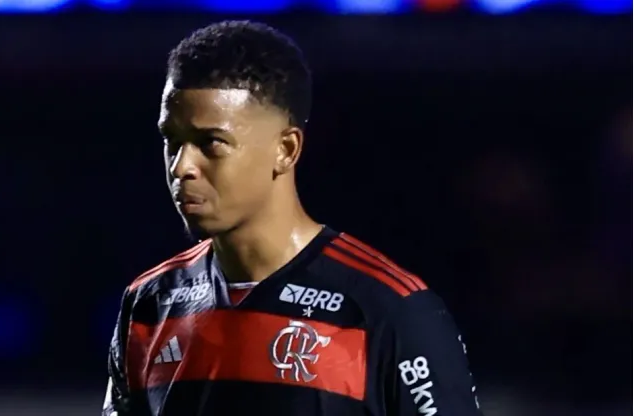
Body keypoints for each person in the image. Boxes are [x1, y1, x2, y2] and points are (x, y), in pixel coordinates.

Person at [103, 20, 482, 416]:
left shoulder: (389, 310)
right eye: (172, 141)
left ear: (286, 149)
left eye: (210, 143)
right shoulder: (149, 306)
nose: (182, 167)